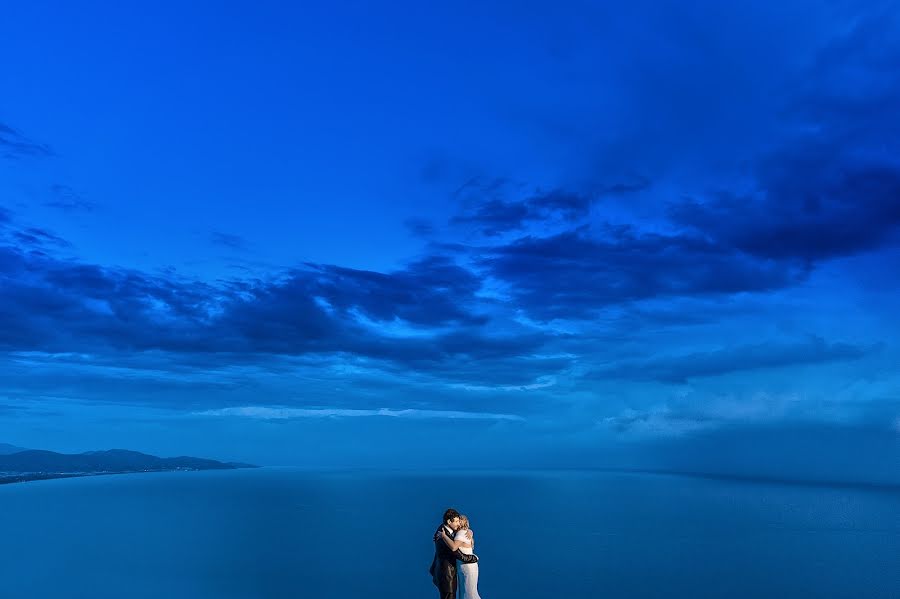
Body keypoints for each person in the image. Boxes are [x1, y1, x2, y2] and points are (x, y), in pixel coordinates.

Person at [430, 508, 478, 599]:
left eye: (459, 521)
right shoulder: (442, 533)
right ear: (449, 521)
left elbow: (461, 533)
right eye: (456, 521)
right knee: (450, 596)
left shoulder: (447, 528)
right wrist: (471, 558)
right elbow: (455, 550)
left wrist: (470, 531)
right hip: (447, 574)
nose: (458, 523)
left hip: (450, 572)